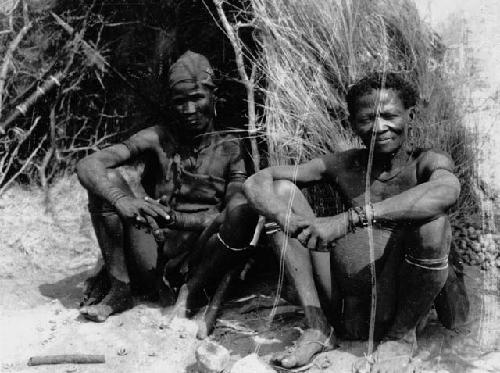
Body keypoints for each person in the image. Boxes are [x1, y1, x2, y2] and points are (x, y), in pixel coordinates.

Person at [244, 72, 465, 372]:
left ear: (410, 115)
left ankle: (399, 339)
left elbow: (447, 190)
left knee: (434, 223)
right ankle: (318, 327)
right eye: (367, 119)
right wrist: (287, 220)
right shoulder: (345, 163)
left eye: (389, 116)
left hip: (398, 302)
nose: (379, 128)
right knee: (282, 191)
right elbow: (259, 180)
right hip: (345, 303)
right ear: (352, 124)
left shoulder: (426, 163)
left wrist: (350, 219)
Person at [77, 51, 258, 323]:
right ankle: (120, 288)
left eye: (197, 98)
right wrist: (121, 200)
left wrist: (177, 219)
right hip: (152, 250)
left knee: (243, 211)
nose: (189, 110)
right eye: (180, 101)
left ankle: (192, 292)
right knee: (109, 181)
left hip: (201, 255)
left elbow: (230, 214)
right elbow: (88, 164)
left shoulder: (231, 147)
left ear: (213, 95)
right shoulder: (157, 137)